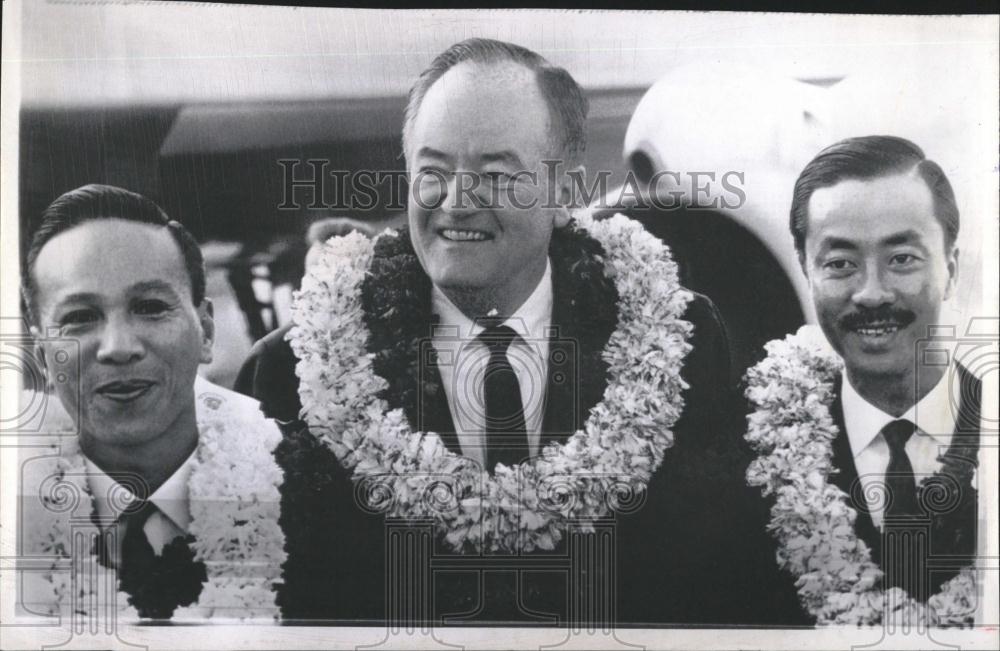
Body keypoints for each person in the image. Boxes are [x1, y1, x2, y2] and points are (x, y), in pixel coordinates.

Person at [238, 38, 781, 625]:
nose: (457, 201)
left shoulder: (680, 343)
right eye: (433, 171)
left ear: (565, 193)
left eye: (495, 174)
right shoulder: (292, 371)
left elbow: (712, 576)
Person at [745, 135, 981, 626]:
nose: (871, 294)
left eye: (902, 259)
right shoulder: (747, 462)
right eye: (840, 264)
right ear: (807, 271)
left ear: (952, 269)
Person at [20, 184, 286, 620]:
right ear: (42, 357)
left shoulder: (317, 502)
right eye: (80, 317)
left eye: (150, 307)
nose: (118, 347)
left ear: (206, 331)